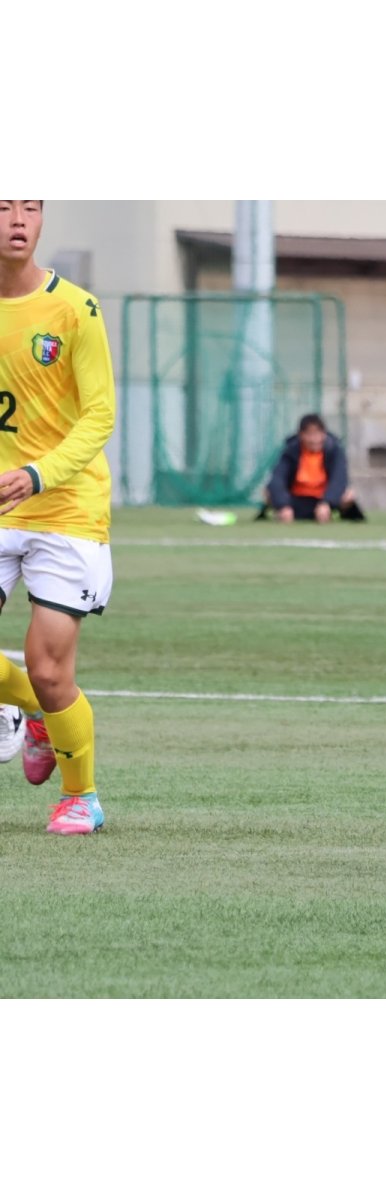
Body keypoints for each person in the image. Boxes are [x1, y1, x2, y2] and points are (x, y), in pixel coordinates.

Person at [0, 199, 117, 835]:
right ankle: (36, 714)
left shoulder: (75, 308)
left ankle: (82, 799)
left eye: (31, 207)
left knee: (48, 670)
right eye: (4, 207)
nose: (18, 219)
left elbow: (100, 415)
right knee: (39, 685)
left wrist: (37, 474)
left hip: (66, 508)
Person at [260, 412, 365, 523]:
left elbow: (339, 479)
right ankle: (283, 513)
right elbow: (278, 479)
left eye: (318, 434)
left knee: (348, 495)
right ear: (301, 435)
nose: (314, 439)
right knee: (268, 492)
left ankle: (336, 515)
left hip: (323, 498)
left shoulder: (334, 450)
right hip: (296, 497)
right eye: (309, 434)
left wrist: (327, 502)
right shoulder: (290, 451)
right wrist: (283, 505)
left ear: (324, 434)